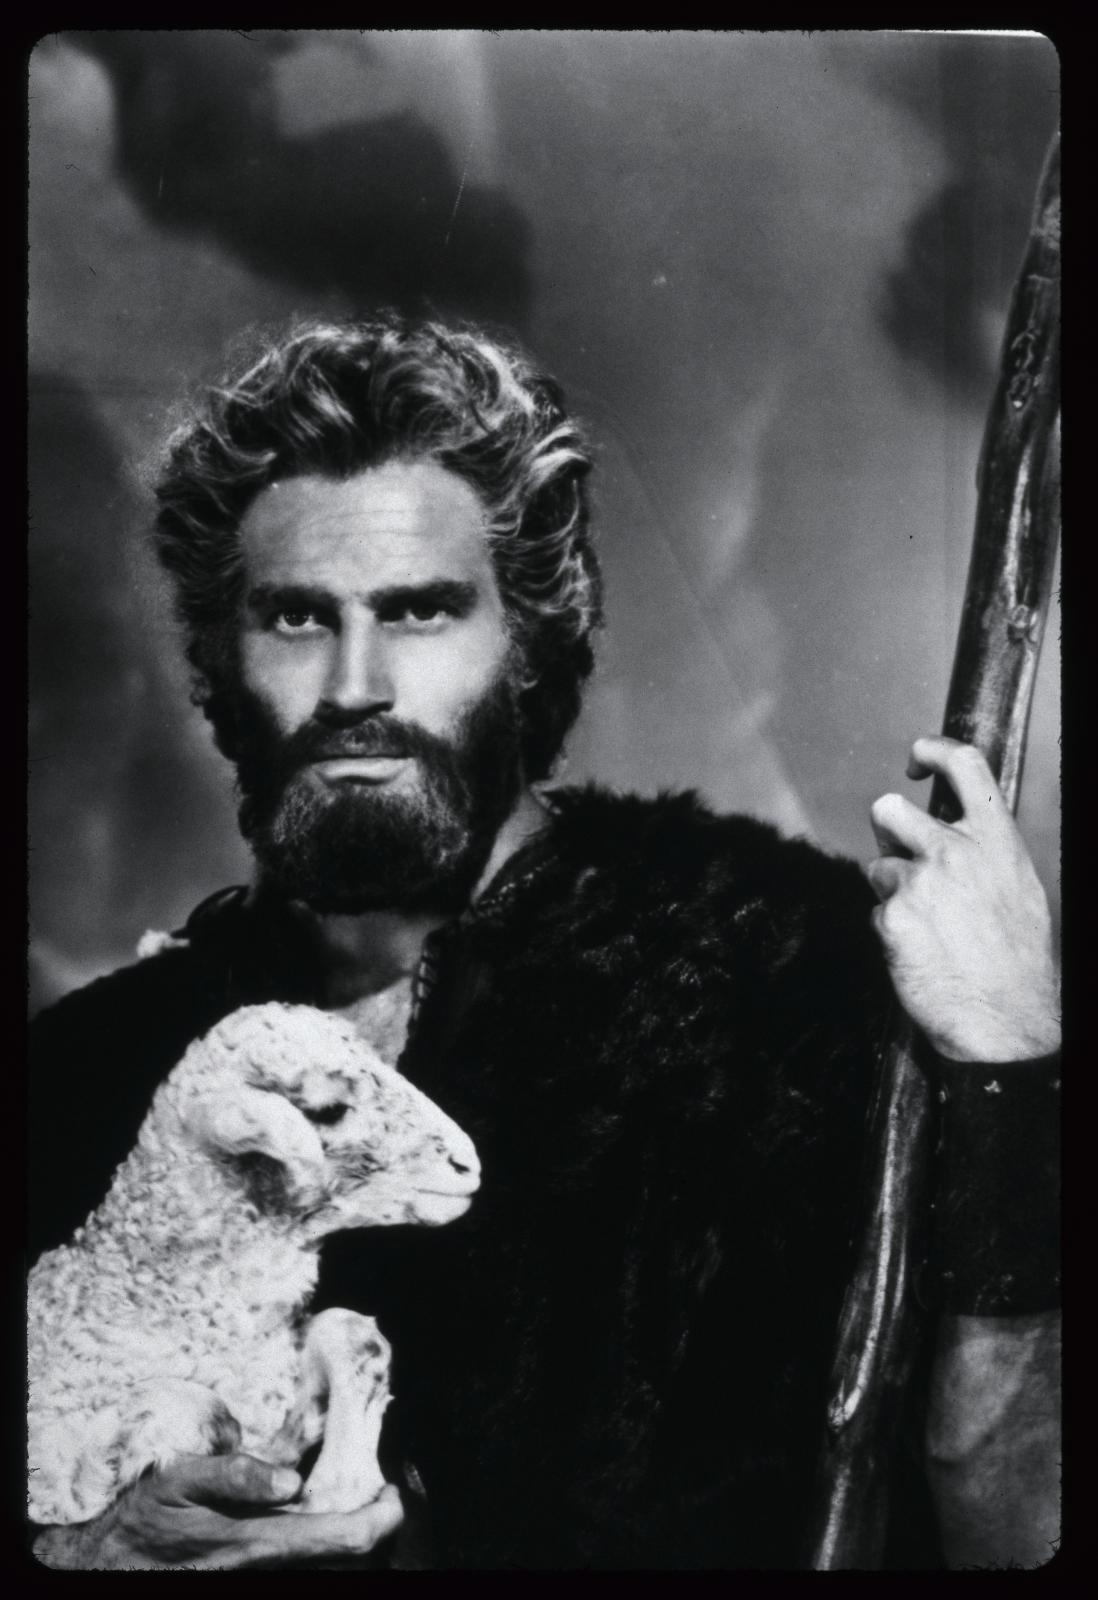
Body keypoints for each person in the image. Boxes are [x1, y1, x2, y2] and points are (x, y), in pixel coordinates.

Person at [28, 315, 1061, 1571]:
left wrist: (1012, 1061)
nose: (354, 685)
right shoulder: (87, 1077)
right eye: (296, 619)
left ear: (527, 644)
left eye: (420, 611)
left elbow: (1016, 1528)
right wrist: (70, 1553)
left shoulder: (781, 979)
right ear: (221, 658)